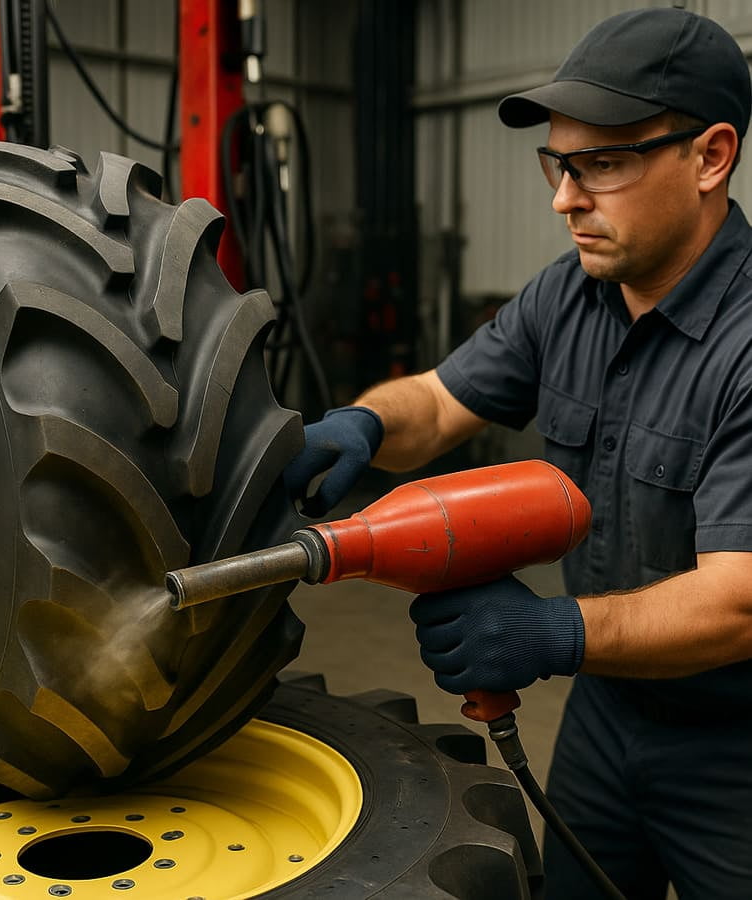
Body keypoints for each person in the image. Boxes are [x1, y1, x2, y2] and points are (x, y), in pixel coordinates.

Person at [284, 7, 752, 900]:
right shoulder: (568, 296)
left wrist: (550, 631)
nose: (564, 199)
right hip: (607, 718)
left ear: (711, 157)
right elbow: (437, 401)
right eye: (559, 164)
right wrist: (361, 424)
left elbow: (739, 603)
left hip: (735, 749)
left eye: (602, 166)